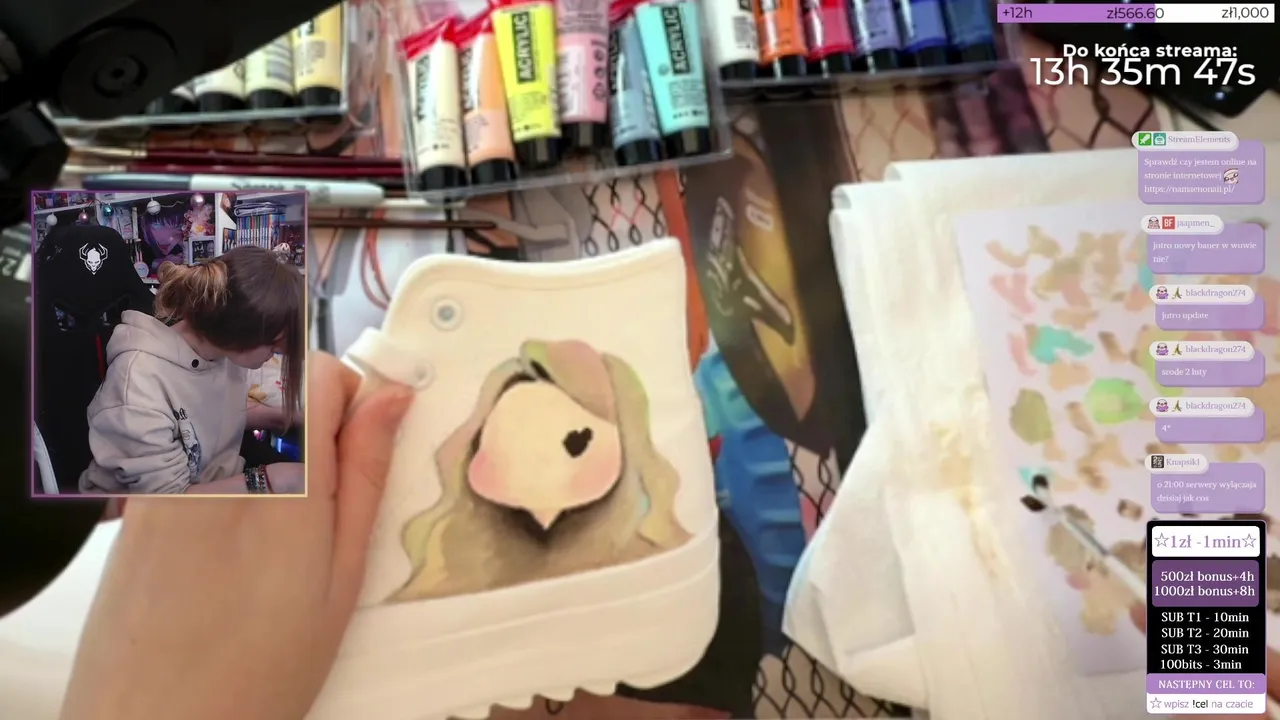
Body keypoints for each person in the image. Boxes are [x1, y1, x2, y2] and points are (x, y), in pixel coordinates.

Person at [79, 246, 305, 495]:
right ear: (238, 328)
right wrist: (274, 481)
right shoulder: (137, 383)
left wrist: (288, 417)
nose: (276, 352)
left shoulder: (222, 355)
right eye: (273, 343)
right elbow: (168, 501)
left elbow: (210, 415)